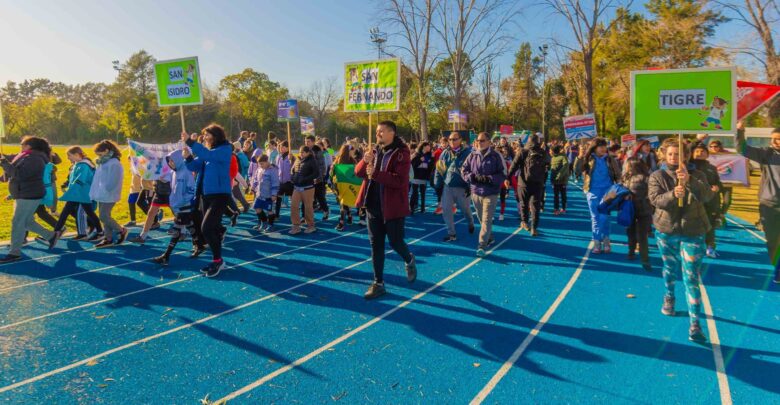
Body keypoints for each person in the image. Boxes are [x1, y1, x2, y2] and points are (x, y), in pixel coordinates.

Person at [649, 138, 714, 342]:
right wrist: (672, 194)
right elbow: (655, 200)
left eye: (678, 154)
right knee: (670, 268)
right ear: (664, 155)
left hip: (693, 231)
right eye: (670, 154)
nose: (674, 158)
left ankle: (695, 323)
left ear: (685, 156)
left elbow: (706, 197)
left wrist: (689, 181)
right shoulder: (657, 176)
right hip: (666, 230)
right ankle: (669, 295)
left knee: (691, 276)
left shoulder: (699, 174)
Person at [355, 120, 416, 299]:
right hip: (373, 206)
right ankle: (378, 283)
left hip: (392, 207)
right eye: (376, 132)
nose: (377, 134)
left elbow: (399, 181)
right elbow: (359, 173)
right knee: (376, 246)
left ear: (392, 133)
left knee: (396, 242)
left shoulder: (401, 153)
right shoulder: (373, 151)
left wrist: (375, 173)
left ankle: (409, 259)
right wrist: (363, 161)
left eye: (381, 131)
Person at [183, 124, 233, 277]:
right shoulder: (207, 152)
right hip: (206, 195)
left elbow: (208, 156)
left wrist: (191, 143)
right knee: (211, 229)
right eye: (204, 135)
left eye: (207, 135)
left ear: (215, 135)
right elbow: (195, 166)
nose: (204, 137)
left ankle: (218, 261)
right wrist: (188, 157)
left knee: (206, 229)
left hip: (220, 195)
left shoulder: (225, 149)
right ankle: (218, 259)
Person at [736, 122, 780, 283]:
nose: (775, 142)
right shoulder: (765, 154)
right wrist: (740, 130)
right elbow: (742, 149)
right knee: (773, 240)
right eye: (773, 139)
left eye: (779, 139)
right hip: (769, 204)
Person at [0, 136, 56, 263]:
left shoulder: (35, 159)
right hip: (22, 193)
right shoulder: (26, 155)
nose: (20, 146)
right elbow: (13, 169)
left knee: (18, 222)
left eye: (22, 144)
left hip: (29, 194)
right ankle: (51, 236)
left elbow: (20, 174)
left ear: (29, 146)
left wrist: (3, 163)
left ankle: (15, 253)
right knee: (27, 222)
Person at [151, 149, 204, 266]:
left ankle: (166, 256)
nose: (171, 163)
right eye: (169, 161)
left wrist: (183, 201)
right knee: (189, 225)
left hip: (185, 205)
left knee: (176, 230)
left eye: (172, 161)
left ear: (178, 160)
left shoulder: (186, 171)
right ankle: (199, 245)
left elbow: (191, 189)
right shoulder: (174, 172)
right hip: (179, 205)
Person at [461, 132, 506, 256]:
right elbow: (464, 170)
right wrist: (472, 177)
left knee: (486, 220)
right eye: (478, 140)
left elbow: (503, 174)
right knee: (481, 219)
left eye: (482, 140)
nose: (479, 143)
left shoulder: (496, 156)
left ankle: (482, 245)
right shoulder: (472, 155)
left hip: (491, 193)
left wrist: (489, 179)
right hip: (476, 192)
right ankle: (489, 237)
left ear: (489, 142)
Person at [49, 147, 102, 247]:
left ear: (77, 155)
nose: (68, 158)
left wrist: (67, 194)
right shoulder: (78, 165)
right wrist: (67, 186)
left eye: (69, 155)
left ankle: (99, 231)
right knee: (65, 212)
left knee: (89, 212)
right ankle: (56, 233)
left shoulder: (84, 165)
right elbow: (73, 179)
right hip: (78, 194)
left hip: (83, 194)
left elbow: (80, 180)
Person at [579, 138, 621, 253]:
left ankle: (606, 240)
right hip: (592, 192)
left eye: (604, 146)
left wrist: (619, 186)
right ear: (594, 147)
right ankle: (597, 243)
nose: (603, 148)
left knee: (605, 217)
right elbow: (578, 170)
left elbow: (618, 174)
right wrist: (580, 157)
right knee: (595, 218)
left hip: (608, 192)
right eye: (600, 146)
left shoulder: (610, 159)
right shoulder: (588, 159)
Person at [434, 132, 474, 242]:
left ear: (460, 140)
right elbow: (439, 169)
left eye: (455, 139)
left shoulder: (468, 153)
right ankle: (451, 233)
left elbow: (473, 170)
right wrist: (437, 184)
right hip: (448, 187)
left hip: (462, 187)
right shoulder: (445, 153)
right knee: (446, 210)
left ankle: (470, 222)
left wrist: (470, 186)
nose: (452, 141)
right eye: (450, 139)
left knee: (465, 210)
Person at [89, 140, 128, 248]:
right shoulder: (104, 161)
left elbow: (114, 179)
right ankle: (108, 238)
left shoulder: (114, 163)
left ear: (106, 150)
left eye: (99, 153)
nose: (98, 156)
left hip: (109, 194)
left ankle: (122, 230)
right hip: (102, 193)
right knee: (105, 216)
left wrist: (107, 188)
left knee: (103, 216)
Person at [508, 134, 548, 236]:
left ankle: (524, 222)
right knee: (535, 206)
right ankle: (534, 228)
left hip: (523, 183)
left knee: (524, 203)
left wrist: (507, 178)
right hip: (538, 183)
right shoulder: (542, 152)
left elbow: (513, 166)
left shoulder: (523, 151)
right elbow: (548, 166)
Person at [691, 142, 723, 258]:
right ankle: (693, 247)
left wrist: (717, 187)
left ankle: (710, 247)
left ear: (707, 154)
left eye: (703, 151)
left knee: (709, 225)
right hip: (693, 201)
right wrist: (697, 139)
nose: (700, 153)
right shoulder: (688, 166)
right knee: (692, 225)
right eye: (697, 151)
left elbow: (718, 182)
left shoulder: (712, 168)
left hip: (709, 201)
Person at [622, 157, 653, 272]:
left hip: (634, 210)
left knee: (634, 233)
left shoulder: (628, 178)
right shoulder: (646, 178)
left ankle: (633, 253)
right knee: (639, 235)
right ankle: (643, 258)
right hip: (643, 210)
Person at [290, 145, 319, 235]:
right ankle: (296, 226)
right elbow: (293, 170)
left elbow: (316, 173)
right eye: (300, 152)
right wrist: (293, 177)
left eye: (303, 152)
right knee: (294, 206)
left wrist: (305, 179)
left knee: (308, 207)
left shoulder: (312, 160)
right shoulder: (297, 160)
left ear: (308, 153)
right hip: (297, 187)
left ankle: (311, 225)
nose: (301, 154)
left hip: (308, 188)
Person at [251, 154, 280, 232]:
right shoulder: (259, 169)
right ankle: (264, 222)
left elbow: (275, 183)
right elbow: (256, 180)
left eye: (262, 163)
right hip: (259, 194)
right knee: (257, 208)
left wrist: (274, 194)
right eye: (259, 164)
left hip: (268, 194)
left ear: (267, 161)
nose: (260, 165)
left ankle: (271, 225)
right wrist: (253, 187)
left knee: (269, 210)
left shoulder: (273, 170)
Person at [332, 143, 357, 231]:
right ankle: (349, 216)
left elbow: (355, 174)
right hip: (340, 185)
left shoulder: (353, 161)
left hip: (349, 185)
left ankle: (342, 222)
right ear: (348, 151)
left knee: (343, 203)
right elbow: (333, 172)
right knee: (343, 202)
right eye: (352, 150)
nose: (353, 152)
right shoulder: (338, 160)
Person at [707, 139, 732, 226]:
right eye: (711, 146)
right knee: (716, 202)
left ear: (719, 146)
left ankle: (721, 215)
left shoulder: (727, 154)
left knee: (727, 201)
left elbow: (736, 162)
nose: (713, 148)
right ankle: (717, 218)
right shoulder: (707, 155)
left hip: (727, 182)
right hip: (715, 182)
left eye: (716, 146)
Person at [305, 135, 329, 221]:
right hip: (307, 178)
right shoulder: (304, 150)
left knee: (320, 196)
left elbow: (322, 166)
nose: (306, 143)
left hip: (317, 178)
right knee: (307, 198)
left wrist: (319, 177)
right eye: (305, 141)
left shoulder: (318, 151)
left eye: (308, 141)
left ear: (313, 142)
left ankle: (325, 210)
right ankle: (305, 216)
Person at [410, 142, 434, 214]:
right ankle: (412, 207)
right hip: (416, 176)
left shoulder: (429, 155)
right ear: (424, 147)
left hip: (424, 176)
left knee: (423, 192)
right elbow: (412, 164)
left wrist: (431, 159)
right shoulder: (416, 154)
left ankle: (422, 208)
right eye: (428, 146)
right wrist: (420, 160)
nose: (429, 147)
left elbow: (431, 166)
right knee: (414, 192)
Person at [274, 140, 294, 220]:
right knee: (278, 199)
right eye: (280, 147)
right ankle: (277, 215)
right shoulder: (278, 156)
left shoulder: (291, 157)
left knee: (293, 200)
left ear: (287, 148)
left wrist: (291, 160)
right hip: (280, 182)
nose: (280, 148)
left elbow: (295, 167)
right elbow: (276, 168)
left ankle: (295, 215)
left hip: (289, 182)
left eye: (283, 147)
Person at [550, 145, 570, 215]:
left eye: (550, 150)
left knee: (563, 195)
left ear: (553, 151)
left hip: (562, 181)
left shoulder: (563, 156)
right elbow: (552, 170)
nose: (549, 151)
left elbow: (566, 165)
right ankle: (556, 209)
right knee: (556, 196)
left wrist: (559, 175)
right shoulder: (552, 158)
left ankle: (563, 208)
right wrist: (552, 180)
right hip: (555, 181)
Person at [432, 136, 448, 214]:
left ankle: (442, 207)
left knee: (446, 191)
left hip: (447, 174)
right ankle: (440, 206)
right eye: (442, 143)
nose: (444, 144)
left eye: (445, 143)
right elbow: (433, 162)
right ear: (440, 143)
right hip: (438, 174)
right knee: (438, 189)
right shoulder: (437, 152)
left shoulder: (449, 151)